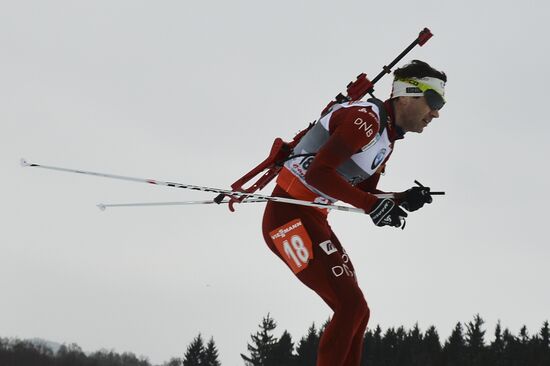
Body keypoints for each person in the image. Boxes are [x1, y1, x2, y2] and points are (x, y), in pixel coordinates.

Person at [261, 60, 447, 366]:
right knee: (349, 307)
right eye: (433, 101)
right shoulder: (367, 121)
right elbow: (320, 173)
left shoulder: (386, 140)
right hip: (287, 218)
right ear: (406, 95)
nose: (436, 113)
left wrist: (400, 199)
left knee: (358, 310)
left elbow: (363, 194)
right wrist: (374, 206)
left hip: (313, 219)